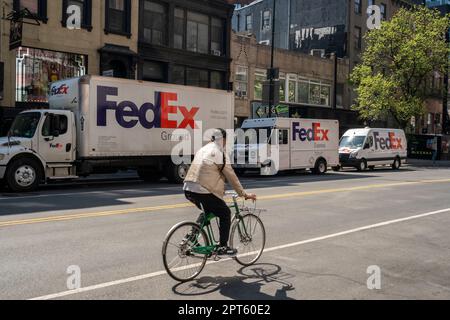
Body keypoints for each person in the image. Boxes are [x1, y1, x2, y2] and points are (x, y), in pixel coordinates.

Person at [184, 128, 257, 257]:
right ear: (223, 139)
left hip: (188, 188)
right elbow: (231, 176)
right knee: (225, 213)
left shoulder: (203, 149)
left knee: (208, 211)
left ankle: (191, 236)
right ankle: (223, 246)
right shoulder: (219, 152)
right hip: (202, 189)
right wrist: (243, 194)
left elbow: (209, 172)